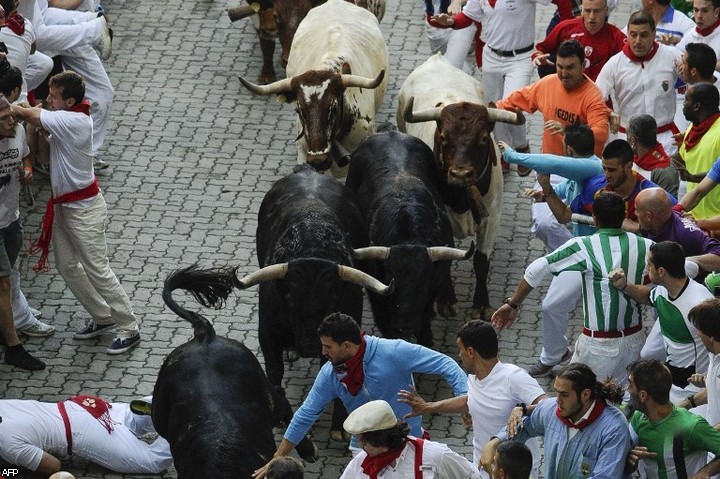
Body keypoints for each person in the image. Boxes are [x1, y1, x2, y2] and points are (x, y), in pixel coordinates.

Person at [11, 71, 141, 354]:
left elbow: (25, 113)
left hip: (84, 211)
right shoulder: (65, 119)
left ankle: (129, 326)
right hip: (66, 208)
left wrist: (7, 107)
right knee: (67, 266)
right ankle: (103, 315)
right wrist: (45, 137)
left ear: (69, 101)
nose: (48, 100)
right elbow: (46, 158)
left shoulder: (73, 120)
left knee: (98, 269)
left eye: (54, 97)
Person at [253, 312, 468, 478]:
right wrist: (277, 457)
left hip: (408, 443)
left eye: (328, 347)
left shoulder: (393, 352)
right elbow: (305, 415)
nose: (322, 353)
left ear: (346, 345)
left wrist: (466, 400)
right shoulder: (330, 374)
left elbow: (445, 363)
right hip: (365, 450)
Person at [492, 192, 651, 387]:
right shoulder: (647, 246)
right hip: (636, 342)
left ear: (595, 218)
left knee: (578, 396)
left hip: (598, 346)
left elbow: (536, 269)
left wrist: (512, 304)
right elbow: (683, 268)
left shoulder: (583, 246)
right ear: (624, 216)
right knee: (626, 399)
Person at [500, 124, 602, 377]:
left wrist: (512, 155)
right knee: (551, 305)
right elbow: (565, 215)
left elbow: (547, 161)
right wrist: (544, 192)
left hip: (606, 252)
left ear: (568, 147)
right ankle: (555, 353)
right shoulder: (576, 177)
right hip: (580, 250)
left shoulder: (592, 166)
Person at [398, 320, 546, 477]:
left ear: (470, 352)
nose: (459, 355)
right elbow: (470, 399)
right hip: (483, 464)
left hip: (516, 471)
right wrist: (428, 407)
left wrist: (522, 410)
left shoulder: (514, 377)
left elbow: (548, 406)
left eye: (460, 350)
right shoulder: (474, 378)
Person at [432, 0, 550, 177]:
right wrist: (451, 22)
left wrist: (561, 34)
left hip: (520, 59)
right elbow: (469, 16)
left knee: (512, 104)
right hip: (492, 57)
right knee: (494, 108)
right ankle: (505, 152)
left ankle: (521, 147)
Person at [480, 363, 631, 479]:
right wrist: (495, 442)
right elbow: (523, 427)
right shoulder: (553, 410)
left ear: (585, 394)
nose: (557, 401)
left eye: (564, 395)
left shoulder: (614, 428)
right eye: (556, 393)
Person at [609, 241, 712, 404]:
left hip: (695, 390)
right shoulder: (664, 289)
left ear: (661, 271)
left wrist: (709, 379)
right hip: (672, 382)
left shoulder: (699, 304)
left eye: (649, 265)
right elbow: (649, 296)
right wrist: (624, 286)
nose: (646, 269)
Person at [0, 395, 173, 475]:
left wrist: (7, 472)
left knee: (153, 462)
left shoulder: (8, 444)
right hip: (80, 405)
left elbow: (53, 466)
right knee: (134, 420)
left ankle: (186, 425)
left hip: (84, 433)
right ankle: (170, 399)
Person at [595, 11, 683, 156]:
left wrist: (687, 75)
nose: (637, 41)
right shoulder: (615, 64)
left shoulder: (672, 56)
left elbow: (698, 79)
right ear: (627, 34)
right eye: (633, 34)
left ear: (654, 34)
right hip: (629, 143)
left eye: (643, 35)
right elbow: (595, 98)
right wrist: (609, 112)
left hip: (665, 141)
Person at [0, 92, 44, 371]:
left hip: (11, 220)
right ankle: (13, 347)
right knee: (3, 282)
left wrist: (27, 170)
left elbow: (27, 158)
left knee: (6, 277)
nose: (11, 122)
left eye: (11, 116)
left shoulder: (16, 133)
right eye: (4, 119)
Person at [338, 400, 481, 479]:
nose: (361, 446)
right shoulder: (360, 465)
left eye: (363, 441)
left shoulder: (434, 455)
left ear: (378, 439)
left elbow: (472, 476)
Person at [625, 359, 720, 478]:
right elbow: (627, 466)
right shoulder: (637, 419)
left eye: (630, 384)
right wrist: (631, 462)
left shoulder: (690, 426)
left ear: (643, 395)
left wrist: (706, 472)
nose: (627, 389)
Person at [532, 0, 626, 81]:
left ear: (606, 11)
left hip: (597, 97)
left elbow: (632, 59)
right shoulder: (564, 27)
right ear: (581, 10)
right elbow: (541, 49)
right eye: (587, 11)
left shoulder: (616, 37)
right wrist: (538, 57)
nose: (592, 16)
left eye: (597, 11)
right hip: (566, 94)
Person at [674, 83, 720, 221]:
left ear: (697, 106)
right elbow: (682, 158)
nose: (683, 103)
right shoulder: (692, 129)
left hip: (715, 219)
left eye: (686, 99)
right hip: (694, 217)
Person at [676, 298, 720, 426]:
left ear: (711, 337)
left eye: (700, 330)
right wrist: (688, 403)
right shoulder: (713, 354)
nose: (698, 334)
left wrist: (706, 436)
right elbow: (715, 391)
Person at [625, 114, 679, 197]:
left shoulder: (664, 172)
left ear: (633, 140)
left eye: (627, 135)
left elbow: (669, 207)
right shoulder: (630, 161)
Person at [677, 0, 720, 70]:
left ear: (717, 12)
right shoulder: (691, 34)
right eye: (696, 10)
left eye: (705, 11)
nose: (699, 16)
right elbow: (676, 55)